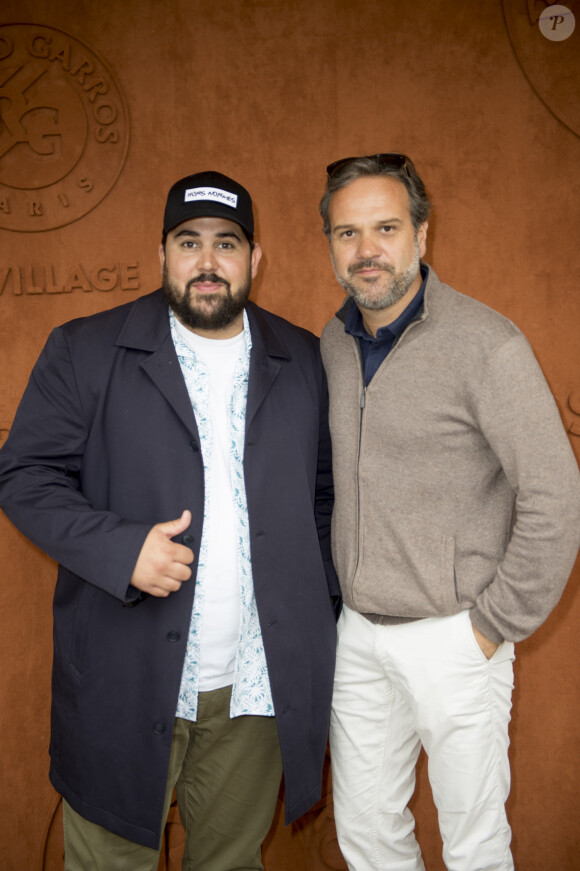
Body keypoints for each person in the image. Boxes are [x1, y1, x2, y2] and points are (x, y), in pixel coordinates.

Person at [0, 170, 339, 871]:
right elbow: (24, 474)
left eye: (226, 243)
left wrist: (313, 607)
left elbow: (326, 497)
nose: (208, 262)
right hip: (126, 678)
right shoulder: (84, 350)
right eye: (189, 242)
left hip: (255, 690)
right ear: (162, 255)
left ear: (256, 258)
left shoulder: (304, 358)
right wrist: (120, 550)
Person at [318, 153, 580, 871]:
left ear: (422, 236)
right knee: (368, 839)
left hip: (456, 642)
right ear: (331, 246)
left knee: (474, 847)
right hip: (359, 640)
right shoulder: (332, 345)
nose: (366, 250)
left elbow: (557, 494)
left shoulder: (488, 344)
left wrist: (492, 625)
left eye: (386, 227)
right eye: (347, 233)